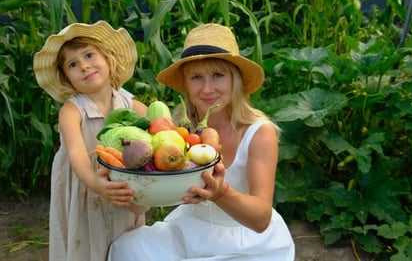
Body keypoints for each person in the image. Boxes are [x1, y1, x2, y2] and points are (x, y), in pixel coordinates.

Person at [108, 23, 295, 260]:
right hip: (191, 230)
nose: (207, 89)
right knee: (128, 249)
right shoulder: (179, 129)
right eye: (197, 77)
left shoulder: (258, 133)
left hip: (246, 240)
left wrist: (220, 193)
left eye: (218, 75)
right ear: (186, 84)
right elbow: (157, 190)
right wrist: (133, 190)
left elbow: (260, 219)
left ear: (235, 80)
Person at [33, 21, 148, 261]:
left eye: (89, 55)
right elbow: (76, 154)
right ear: (67, 79)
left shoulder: (133, 106)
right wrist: (94, 183)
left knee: (124, 242)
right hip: (85, 191)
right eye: (73, 64)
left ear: (108, 59)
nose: (84, 66)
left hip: (121, 190)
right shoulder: (72, 111)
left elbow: (155, 141)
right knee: (86, 243)